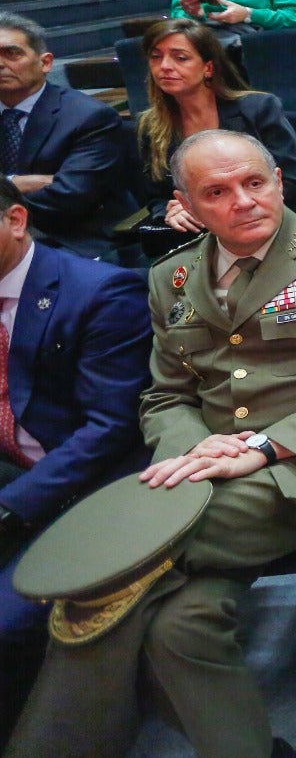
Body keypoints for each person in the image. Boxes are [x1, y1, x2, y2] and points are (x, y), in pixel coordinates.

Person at [7, 130, 296, 758]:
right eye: (217, 192)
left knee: (104, 574)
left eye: (254, 183)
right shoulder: (171, 276)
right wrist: (192, 454)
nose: (243, 202)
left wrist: (264, 447)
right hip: (207, 473)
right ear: (188, 205)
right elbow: (166, 397)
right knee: (181, 626)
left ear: (279, 180)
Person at [0, 179, 148, 743]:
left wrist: (10, 509)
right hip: (16, 475)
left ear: (16, 220)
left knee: (7, 624)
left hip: (90, 489)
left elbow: (110, 429)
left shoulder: (100, 292)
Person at [134, 18, 296, 238]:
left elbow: (291, 181)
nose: (165, 66)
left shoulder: (258, 108)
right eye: (156, 57)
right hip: (195, 235)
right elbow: (156, 195)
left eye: (180, 58)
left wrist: (218, 209)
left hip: (265, 225)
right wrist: (169, 211)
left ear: (208, 67)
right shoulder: (151, 125)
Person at [0, 13, 133, 256]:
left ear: (46, 63)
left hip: (70, 239)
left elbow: (69, 199)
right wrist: (15, 183)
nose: (0, 64)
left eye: (12, 53)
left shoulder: (89, 117)